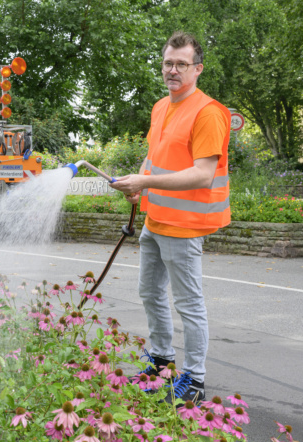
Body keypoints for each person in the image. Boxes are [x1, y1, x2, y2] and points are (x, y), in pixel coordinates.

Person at [109, 31, 231, 405]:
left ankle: (194, 380)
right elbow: (154, 155)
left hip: (185, 227)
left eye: (181, 64)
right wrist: (141, 185)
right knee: (149, 293)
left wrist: (145, 180)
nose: (173, 70)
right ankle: (161, 363)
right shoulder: (161, 107)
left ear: (198, 69)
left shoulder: (208, 112)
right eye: (168, 63)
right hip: (155, 221)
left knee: (188, 303)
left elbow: (202, 174)